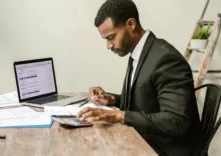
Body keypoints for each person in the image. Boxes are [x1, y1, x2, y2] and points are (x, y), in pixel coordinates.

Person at [77, 0, 203, 155]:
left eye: (111, 37)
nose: (108, 46)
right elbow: (147, 101)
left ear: (130, 24)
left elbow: (175, 121)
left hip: (166, 149)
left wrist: (119, 115)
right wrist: (113, 100)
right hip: (148, 139)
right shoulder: (139, 53)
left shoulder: (166, 59)